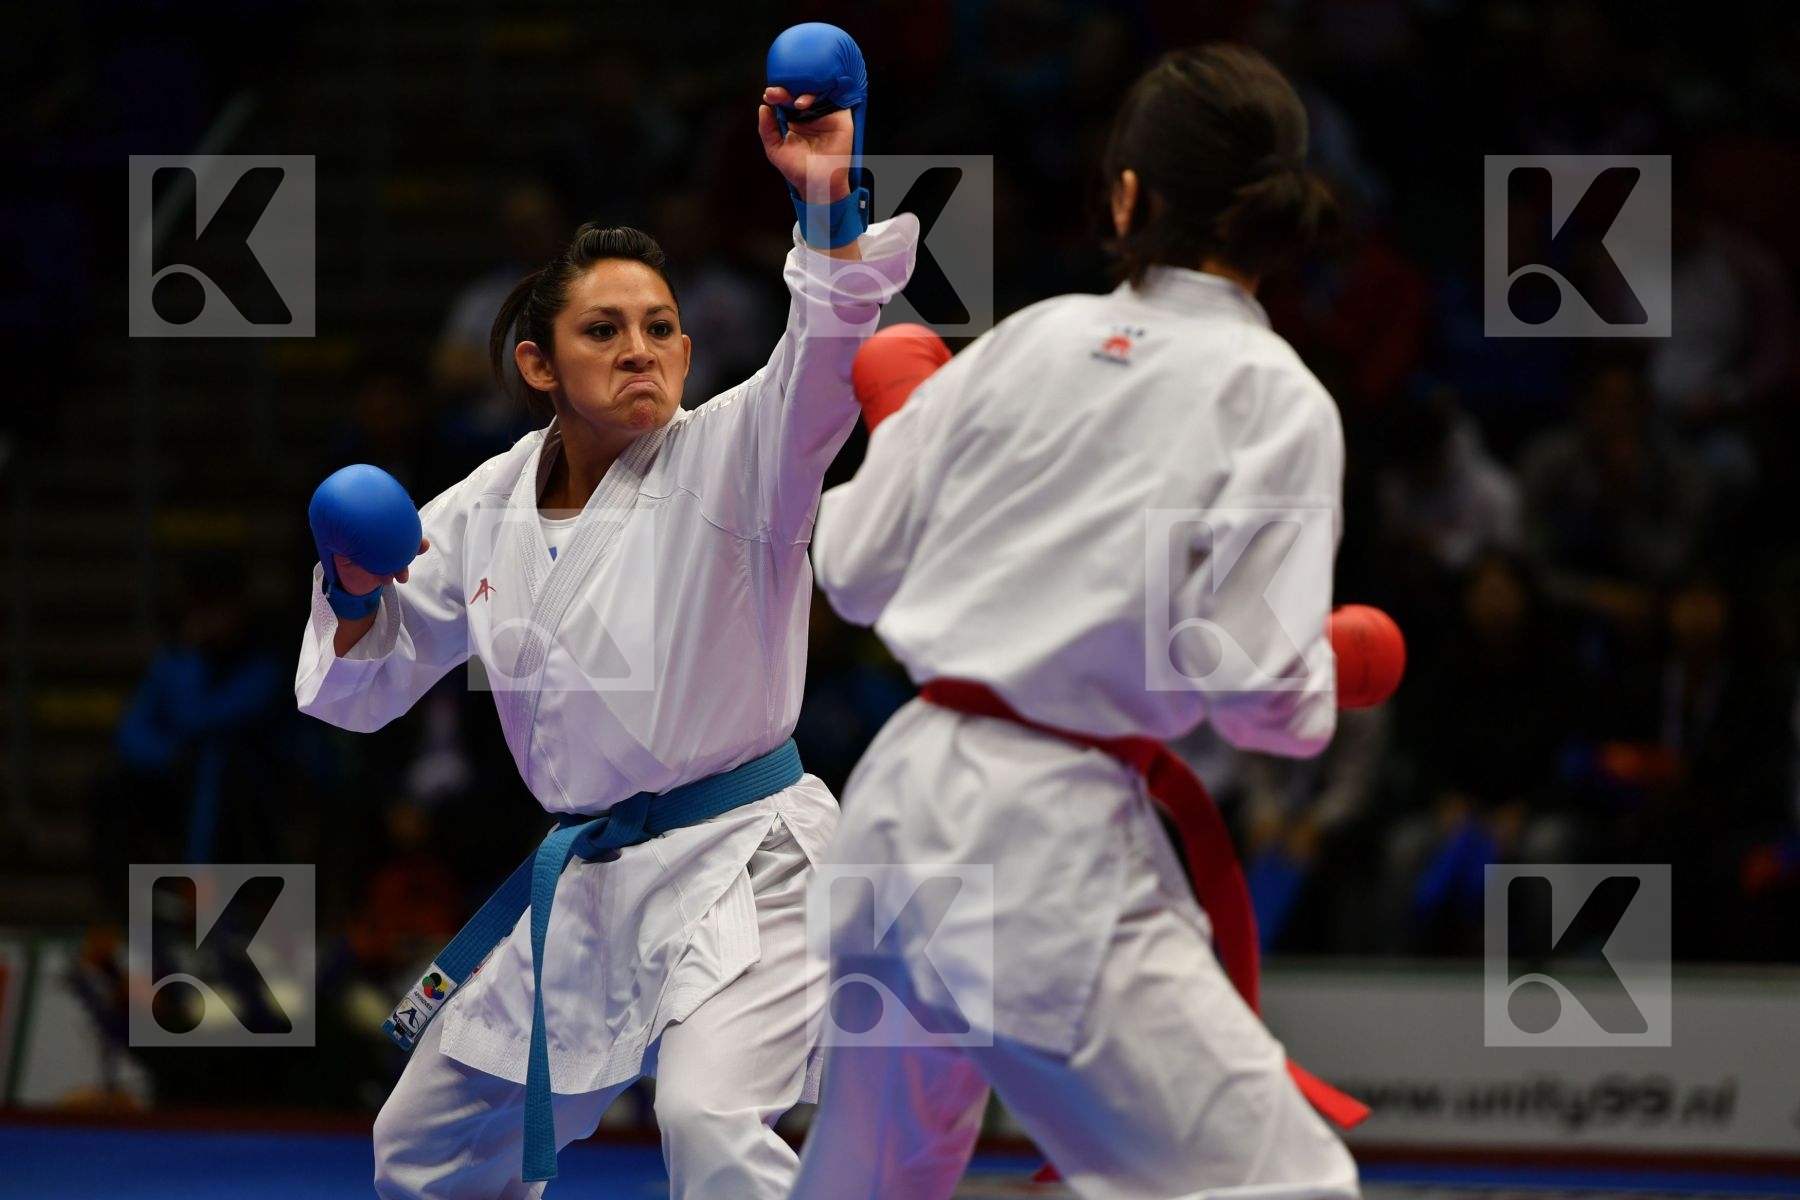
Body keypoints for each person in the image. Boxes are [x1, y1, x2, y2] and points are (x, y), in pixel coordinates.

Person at [295, 33, 920, 1197]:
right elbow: (358, 686)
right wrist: (351, 591)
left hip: (747, 863)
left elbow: (825, 356)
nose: (640, 348)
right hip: (586, 885)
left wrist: (825, 205)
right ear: (538, 365)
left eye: (660, 328)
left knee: (709, 1121)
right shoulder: (480, 509)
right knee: (425, 1145)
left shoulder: (743, 454)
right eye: (602, 330)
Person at [792, 45, 1363, 1200]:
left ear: (1128, 197)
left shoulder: (1029, 338)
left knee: (866, 1190)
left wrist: (903, 419)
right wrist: (1330, 672)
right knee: (1285, 1186)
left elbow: (848, 569)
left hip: (898, 813)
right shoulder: (1275, 396)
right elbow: (1258, 697)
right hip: (1041, 849)